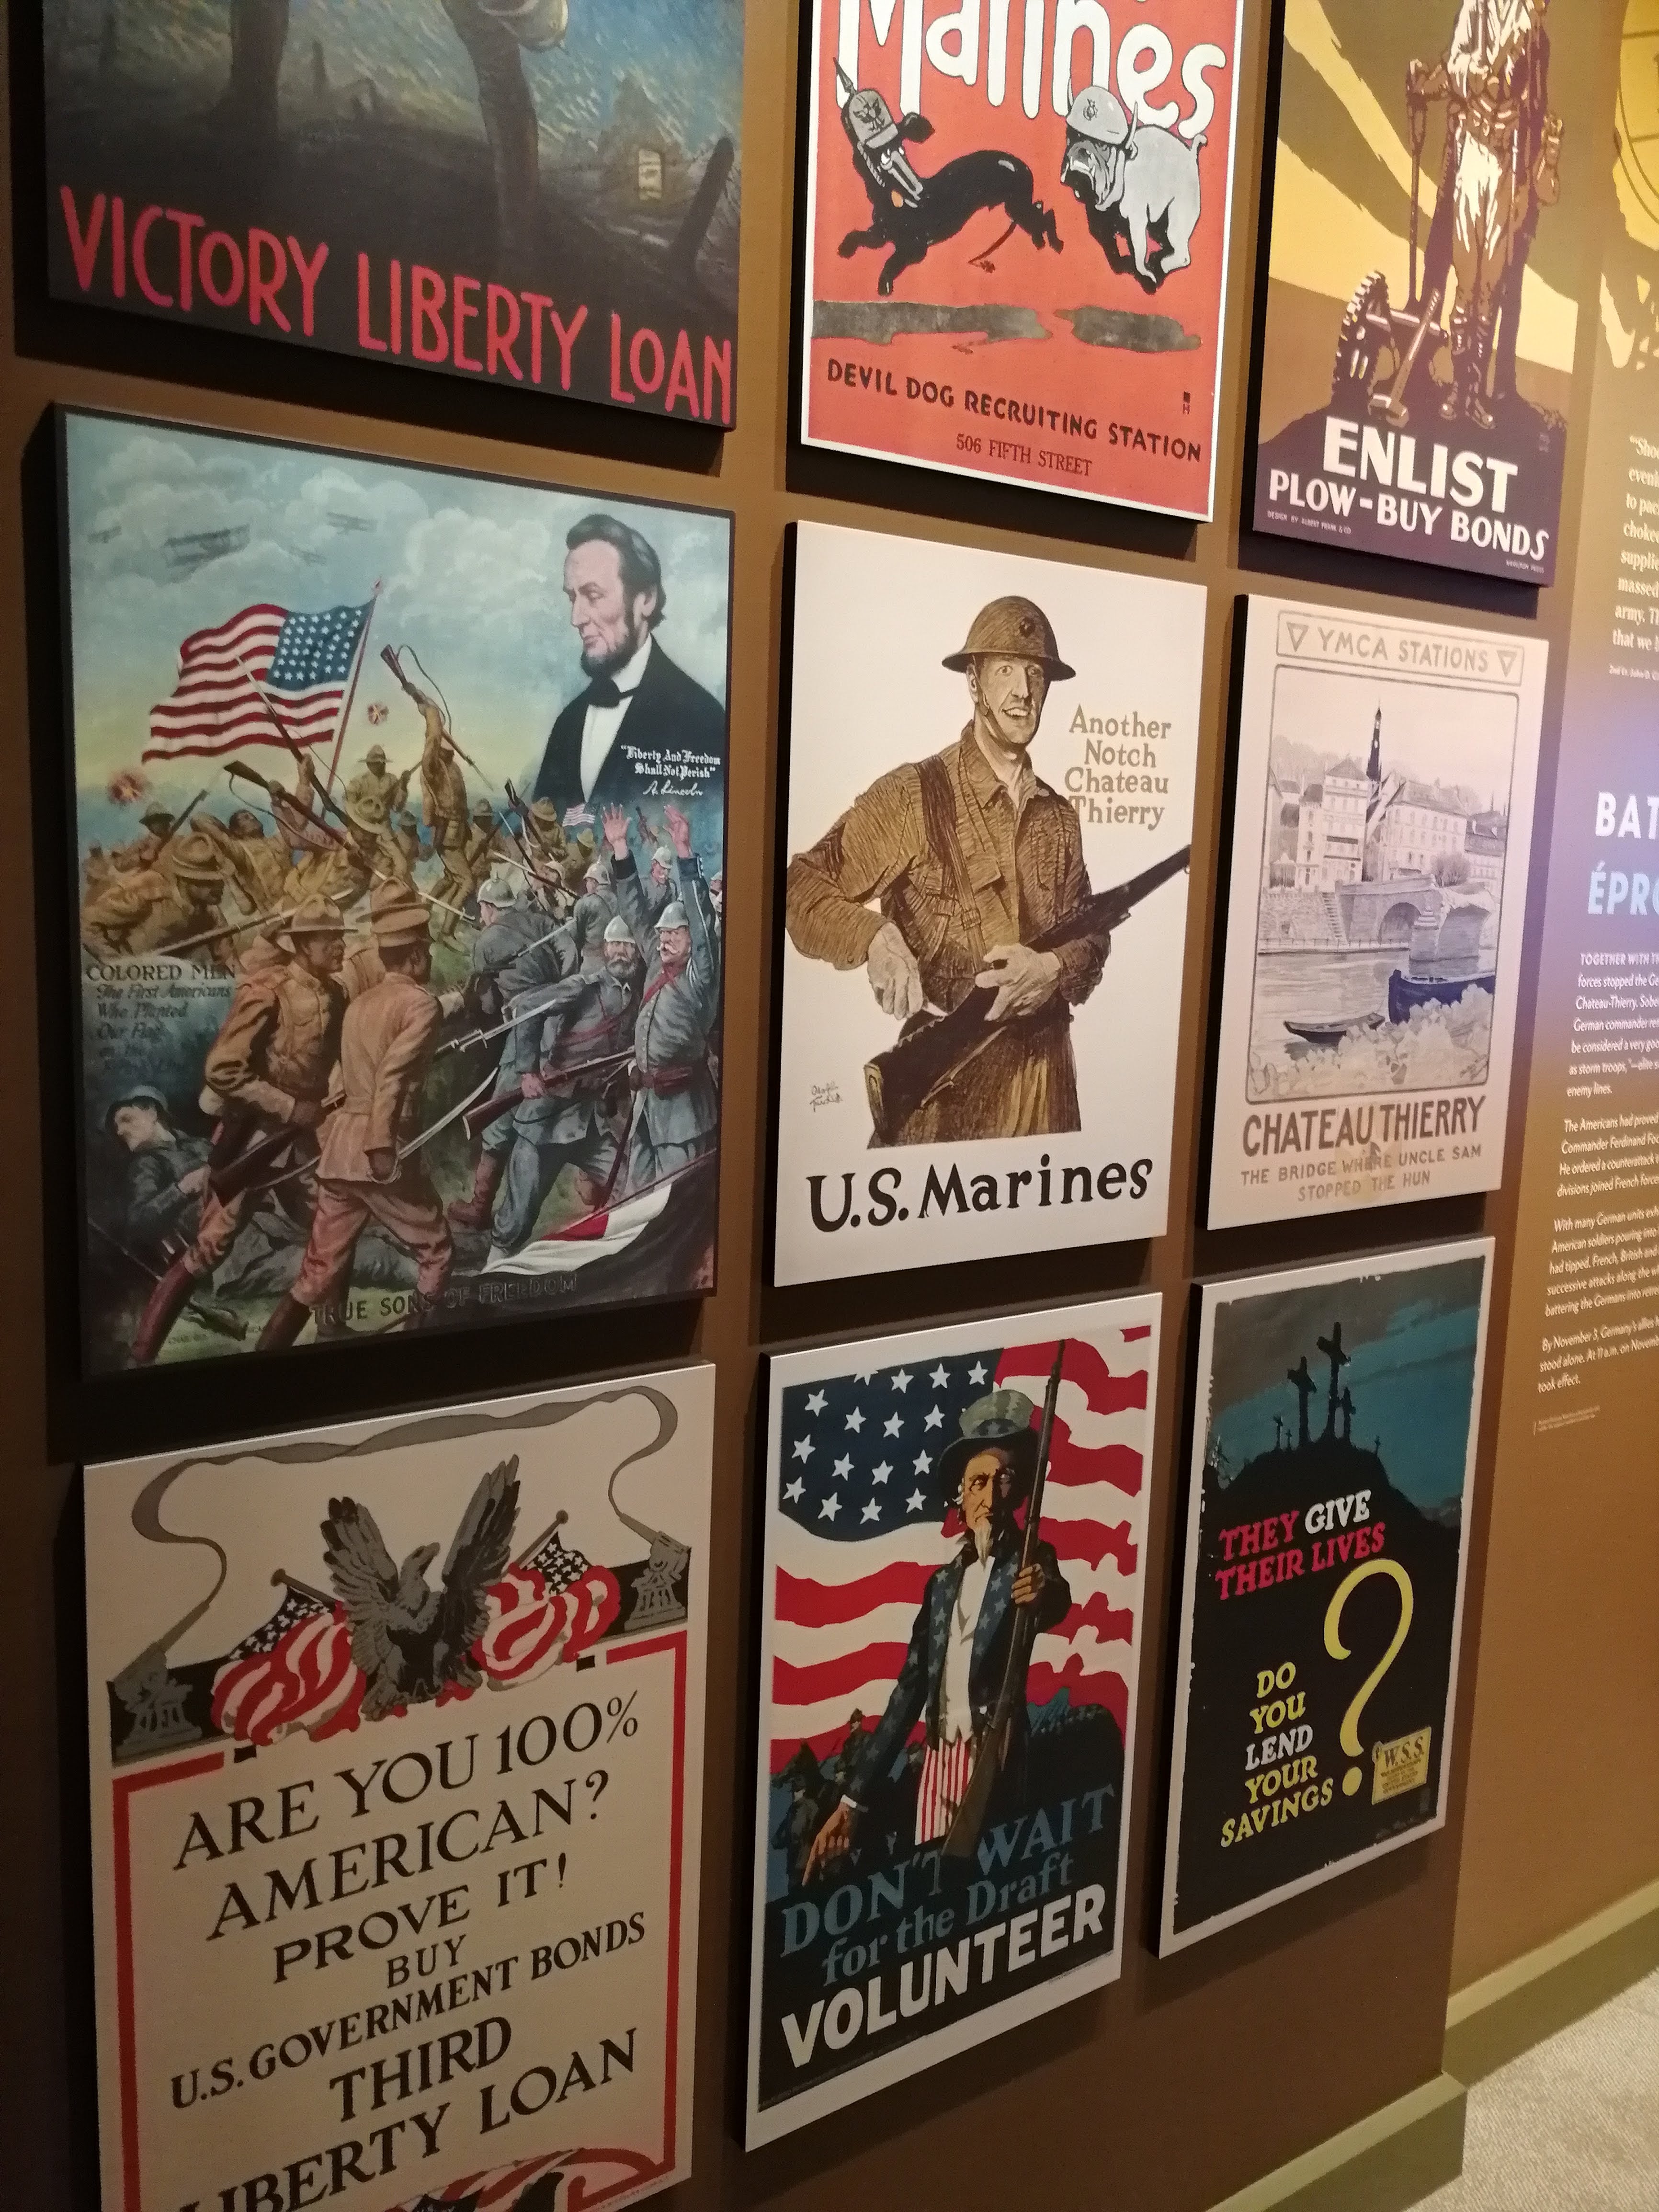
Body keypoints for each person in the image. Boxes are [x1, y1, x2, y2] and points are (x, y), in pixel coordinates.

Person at [784, 596, 1107, 1146]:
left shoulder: (1058, 817)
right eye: (1005, 670)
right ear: (973, 682)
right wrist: (873, 937)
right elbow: (799, 888)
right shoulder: (912, 796)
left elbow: (1091, 934)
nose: (1023, 690)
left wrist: (1052, 967)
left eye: (1035, 673)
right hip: (948, 1098)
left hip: (1045, 1095)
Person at [805, 1390, 1072, 1872]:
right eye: (978, 1482)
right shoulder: (941, 1586)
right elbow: (909, 1692)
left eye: (1004, 1479)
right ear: (960, 1496)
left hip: (997, 1753)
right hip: (938, 1762)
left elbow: (1053, 1597)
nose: (990, 1496)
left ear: (1019, 1491)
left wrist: (1040, 1592)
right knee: (935, 1877)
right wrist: (852, 1800)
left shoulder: (1030, 1559)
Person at [126, 897, 349, 1364]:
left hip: (303, 1141)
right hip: (254, 1138)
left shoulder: (336, 994)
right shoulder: (267, 992)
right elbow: (223, 1069)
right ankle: (142, 1356)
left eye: (341, 937)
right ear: (303, 944)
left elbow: (328, 1065)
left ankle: (331, 1333)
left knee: (335, 1227)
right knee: (211, 1246)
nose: (340, 946)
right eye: (329, 938)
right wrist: (288, 1106)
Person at [258, 885, 455, 1348]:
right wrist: (381, 1146)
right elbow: (392, 1076)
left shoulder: (360, 1005)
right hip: (376, 1152)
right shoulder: (421, 1004)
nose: (428, 958)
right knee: (437, 1250)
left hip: (340, 1152)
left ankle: (262, 1357)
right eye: (426, 951)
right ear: (417, 956)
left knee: (316, 1271)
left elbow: (351, 1079)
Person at [1410, 0, 1562, 429]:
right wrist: (1476, 76)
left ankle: (1473, 392)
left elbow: (1534, 108)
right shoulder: (1476, 10)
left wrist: (1533, 175)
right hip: (1471, 154)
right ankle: (1456, 388)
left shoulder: (1535, 36)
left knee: (1490, 287)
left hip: (1507, 164)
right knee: (1463, 278)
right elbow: (1455, 66)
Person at [531, 515, 727, 822]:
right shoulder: (567, 725)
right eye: (572, 598)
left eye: (593, 596)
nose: (576, 618)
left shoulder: (704, 720)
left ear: (646, 600)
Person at [473, 912, 643, 1257]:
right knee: (517, 1219)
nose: (621, 952)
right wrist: (528, 1072)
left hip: (589, 1121)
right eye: (615, 944)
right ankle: (493, 1271)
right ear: (605, 950)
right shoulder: (583, 987)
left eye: (628, 945)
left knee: (630, 1183)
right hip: (546, 1122)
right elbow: (529, 1008)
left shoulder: (633, 997)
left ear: (637, 953)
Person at [603, 802, 721, 1197]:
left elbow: (702, 921)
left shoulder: (701, 974)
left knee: (675, 1209)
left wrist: (685, 854)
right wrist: (621, 849)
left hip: (684, 1118)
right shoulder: (656, 961)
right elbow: (634, 911)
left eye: (675, 933)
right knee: (634, 1205)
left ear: (691, 938)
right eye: (662, 933)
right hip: (647, 1110)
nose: (665, 940)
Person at [106, 1087, 210, 1264]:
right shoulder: (145, 1165)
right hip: (228, 1256)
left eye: (126, 1120)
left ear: (151, 1112)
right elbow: (138, 1224)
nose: (120, 1132)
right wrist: (182, 1189)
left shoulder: (199, 1143)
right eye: (117, 1127)